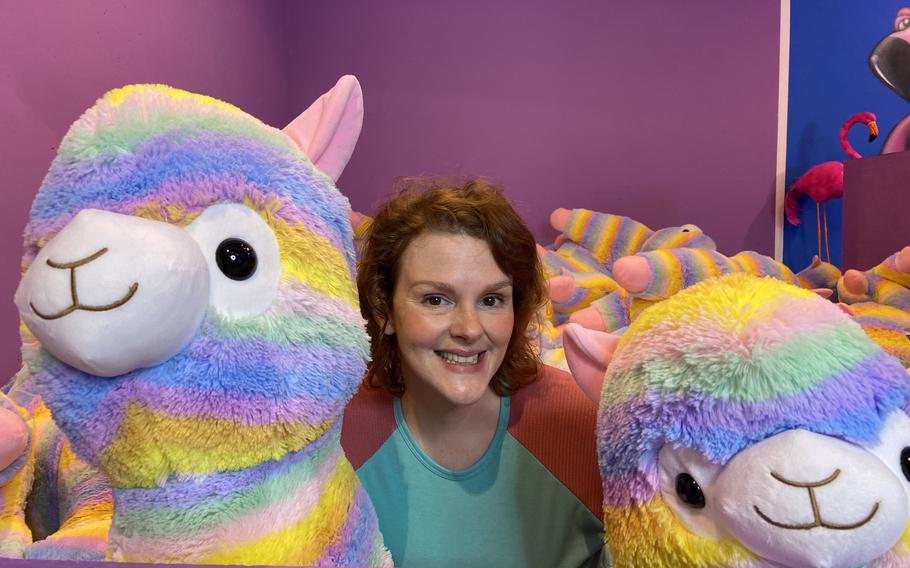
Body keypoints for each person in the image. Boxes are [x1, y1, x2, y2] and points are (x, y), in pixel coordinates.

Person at [342, 178, 606, 567]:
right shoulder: (337, 441)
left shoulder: (588, 428)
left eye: (491, 300)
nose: (468, 328)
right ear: (385, 309)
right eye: (436, 299)